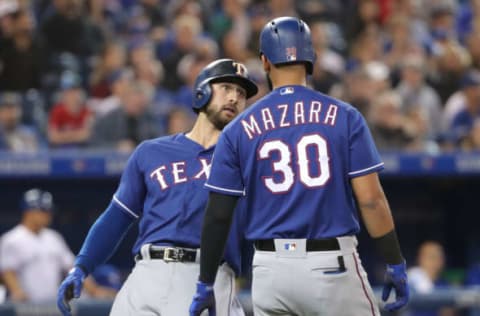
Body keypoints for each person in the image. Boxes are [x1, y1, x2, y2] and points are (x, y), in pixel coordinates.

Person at [190, 17, 409, 316]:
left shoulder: (238, 129)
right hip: (331, 266)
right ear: (312, 58)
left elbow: (217, 215)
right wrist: (394, 260)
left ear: (265, 61)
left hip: (270, 271)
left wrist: (205, 282)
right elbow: (370, 200)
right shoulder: (344, 116)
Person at [56, 58, 258, 316]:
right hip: (146, 274)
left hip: (207, 278)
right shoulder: (151, 152)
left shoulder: (247, 160)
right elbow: (117, 217)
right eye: (227, 87)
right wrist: (81, 267)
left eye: (241, 93)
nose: (234, 98)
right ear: (202, 92)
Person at [0, 188, 115, 303]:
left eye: (49, 211)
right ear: (29, 212)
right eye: (43, 210)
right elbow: (7, 271)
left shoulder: (54, 238)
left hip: (51, 305)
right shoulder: (12, 239)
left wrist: (94, 290)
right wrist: (17, 291)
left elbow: (73, 268)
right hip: (25, 306)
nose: (48, 215)